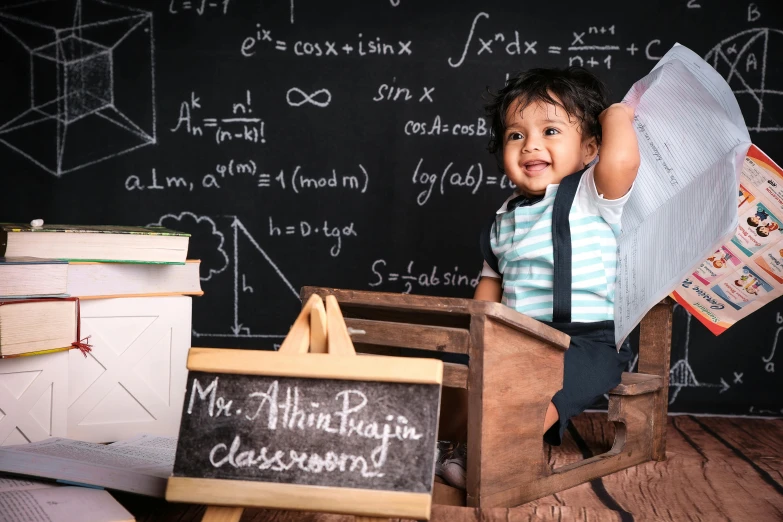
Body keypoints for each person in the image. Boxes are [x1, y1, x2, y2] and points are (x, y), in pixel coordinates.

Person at [436, 67, 639, 489]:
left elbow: (620, 159)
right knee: (465, 378)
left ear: (589, 148)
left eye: (550, 130)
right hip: (520, 337)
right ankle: (444, 443)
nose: (531, 144)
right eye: (516, 135)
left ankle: (493, 452)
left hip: (587, 340)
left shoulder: (592, 195)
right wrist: (478, 335)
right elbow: (490, 286)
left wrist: (616, 114)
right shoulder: (503, 219)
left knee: (539, 393)